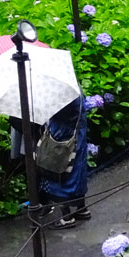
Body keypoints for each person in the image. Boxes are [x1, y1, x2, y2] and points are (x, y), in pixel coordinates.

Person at [37, 96, 90, 229]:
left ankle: (66, 217)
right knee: (78, 172)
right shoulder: (71, 87)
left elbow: (57, 113)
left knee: (59, 174)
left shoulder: (59, 95)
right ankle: (81, 208)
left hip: (63, 139)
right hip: (78, 137)